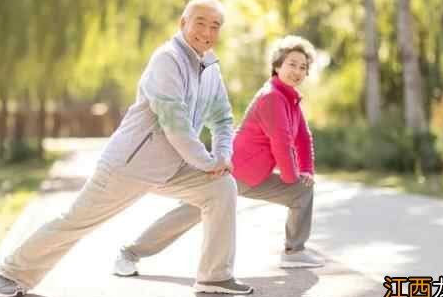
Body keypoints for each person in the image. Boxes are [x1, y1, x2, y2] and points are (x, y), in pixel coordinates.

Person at [0, 0, 254, 297]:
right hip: (129, 166)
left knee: (221, 188)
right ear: (183, 23)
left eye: (215, 26)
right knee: (76, 222)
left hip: (175, 165)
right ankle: (10, 273)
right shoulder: (167, 59)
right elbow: (174, 122)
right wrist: (205, 162)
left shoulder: (210, 68)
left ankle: (215, 277)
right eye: (200, 22)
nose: (207, 31)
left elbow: (221, 117)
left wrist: (222, 156)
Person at [113, 35, 324, 278]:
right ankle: (129, 253)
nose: (297, 71)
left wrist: (305, 172)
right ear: (277, 66)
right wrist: (291, 177)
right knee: (186, 216)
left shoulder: (290, 99)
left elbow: (303, 138)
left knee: (301, 190)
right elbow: (281, 142)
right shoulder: (273, 97)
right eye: (292, 64)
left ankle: (294, 252)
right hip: (233, 170)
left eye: (303, 67)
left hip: (254, 176)